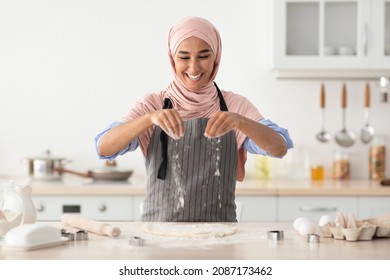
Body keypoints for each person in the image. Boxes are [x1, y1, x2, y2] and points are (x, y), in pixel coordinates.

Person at [95, 16, 293, 222]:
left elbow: (279, 147)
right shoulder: (152, 104)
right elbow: (104, 147)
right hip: (160, 236)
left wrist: (239, 121)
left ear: (216, 57)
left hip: (219, 237)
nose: (194, 67)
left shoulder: (234, 105)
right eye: (184, 57)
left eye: (203, 56)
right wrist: (149, 119)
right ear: (172, 59)